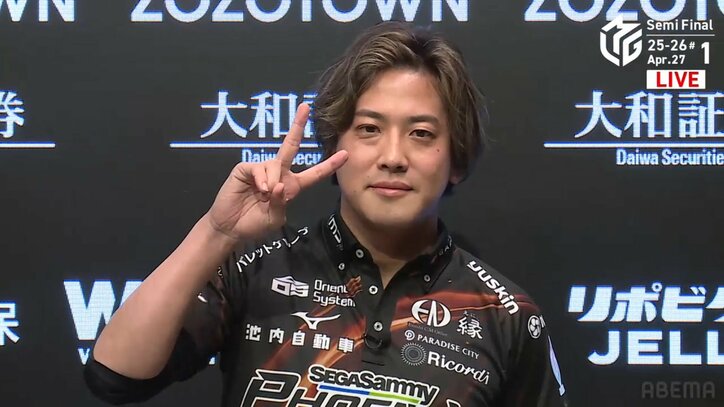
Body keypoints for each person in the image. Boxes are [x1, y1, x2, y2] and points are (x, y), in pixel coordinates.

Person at [85, 22, 568, 407]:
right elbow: (114, 377)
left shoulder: (503, 315)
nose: (393, 157)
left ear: (457, 159)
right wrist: (217, 231)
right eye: (369, 129)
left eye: (421, 134)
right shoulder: (257, 269)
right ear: (334, 145)